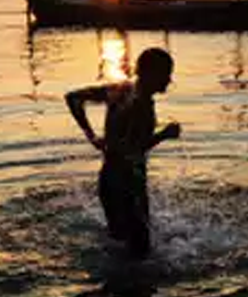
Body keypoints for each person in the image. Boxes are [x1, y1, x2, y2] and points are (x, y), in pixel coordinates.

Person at [65, 47, 181, 257]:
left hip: (110, 180)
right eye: (166, 73)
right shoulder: (139, 105)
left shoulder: (120, 90)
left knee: (120, 247)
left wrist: (90, 135)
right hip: (127, 185)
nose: (169, 80)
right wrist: (164, 135)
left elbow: (73, 98)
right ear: (151, 73)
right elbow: (131, 150)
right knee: (140, 253)